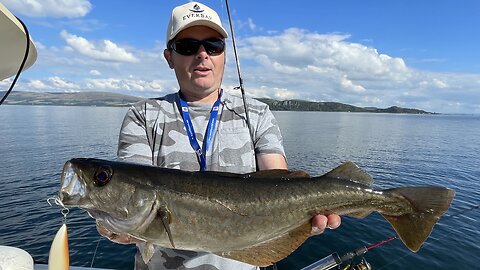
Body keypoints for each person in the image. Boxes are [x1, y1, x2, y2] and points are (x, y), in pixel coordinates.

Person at [117, 2, 341, 269]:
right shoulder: (143, 115)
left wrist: (296, 220)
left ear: (224, 54)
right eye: (188, 46)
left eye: (213, 45)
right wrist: (114, 225)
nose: (202, 55)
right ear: (169, 57)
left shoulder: (257, 113)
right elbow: (130, 200)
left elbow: (279, 181)